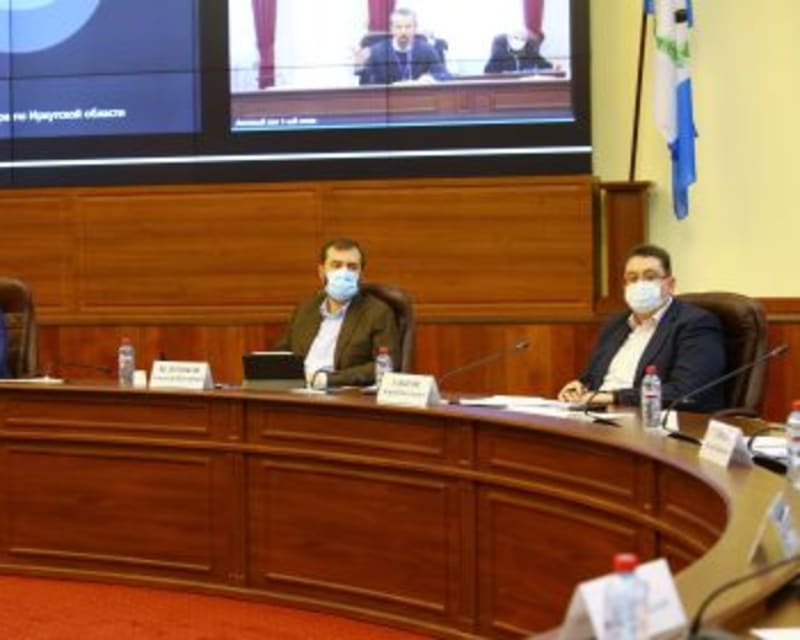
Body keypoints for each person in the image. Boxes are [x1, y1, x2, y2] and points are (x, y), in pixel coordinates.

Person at [558, 244, 727, 412]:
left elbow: (688, 392)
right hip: (595, 413)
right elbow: (591, 379)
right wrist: (578, 388)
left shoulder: (695, 323)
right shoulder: (615, 324)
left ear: (670, 284)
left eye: (650, 277)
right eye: (632, 278)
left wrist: (613, 397)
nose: (640, 285)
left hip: (646, 417)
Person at [274, 238, 400, 388]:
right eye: (336, 265)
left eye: (352, 267)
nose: (344, 272)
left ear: (360, 274)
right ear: (322, 272)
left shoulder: (377, 312)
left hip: (340, 394)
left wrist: (327, 380)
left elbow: (384, 366)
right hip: (294, 392)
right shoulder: (306, 308)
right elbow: (282, 355)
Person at [359, 8, 448, 85]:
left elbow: (445, 76)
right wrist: (360, 66)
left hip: (419, 97)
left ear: (415, 28)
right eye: (398, 27)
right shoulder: (377, 52)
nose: (403, 32)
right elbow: (366, 84)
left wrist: (431, 78)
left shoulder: (427, 50)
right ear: (391, 29)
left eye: (408, 27)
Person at [484, 29, 553, 74]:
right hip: (506, 88)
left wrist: (554, 67)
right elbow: (488, 73)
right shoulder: (499, 55)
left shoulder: (530, 53)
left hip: (528, 88)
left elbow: (547, 67)